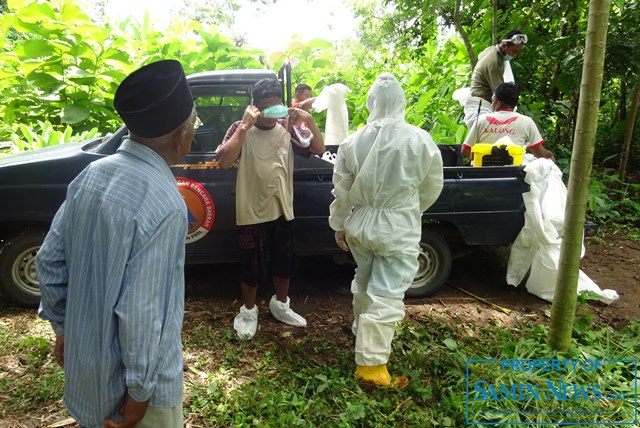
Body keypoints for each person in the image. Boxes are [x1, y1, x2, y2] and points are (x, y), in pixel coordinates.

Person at [37, 59, 196, 428]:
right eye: (194, 125)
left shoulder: (92, 174)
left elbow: (48, 262)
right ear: (179, 136)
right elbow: (142, 313)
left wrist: (62, 329)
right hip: (133, 398)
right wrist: (139, 397)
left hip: (87, 374)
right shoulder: (165, 202)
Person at [328, 73, 444, 387]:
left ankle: (360, 334)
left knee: (364, 282)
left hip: (361, 224)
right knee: (386, 295)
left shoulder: (353, 141)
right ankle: (371, 367)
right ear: (401, 101)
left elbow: (341, 189)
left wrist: (339, 225)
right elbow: (432, 186)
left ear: (371, 103)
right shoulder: (420, 140)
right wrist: (410, 209)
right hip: (398, 226)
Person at [216, 78, 325, 340]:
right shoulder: (240, 128)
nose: (270, 114)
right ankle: (249, 311)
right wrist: (244, 125)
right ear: (254, 107)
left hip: (282, 207)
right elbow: (223, 161)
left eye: (275, 107)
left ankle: (281, 305)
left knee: (284, 260)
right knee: (250, 264)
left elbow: (318, 149)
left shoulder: (287, 128)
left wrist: (307, 119)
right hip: (250, 209)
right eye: (264, 108)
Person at [462, 82, 555, 161]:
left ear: (498, 103)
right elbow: (540, 154)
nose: (491, 105)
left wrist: (485, 159)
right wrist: (550, 156)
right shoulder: (527, 122)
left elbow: (465, 150)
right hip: (514, 174)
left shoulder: (482, 120)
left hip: (485, 173)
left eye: (492, 101)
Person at [463, 29, 528, 128]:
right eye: (514, 51)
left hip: (484, 103)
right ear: (505, 45)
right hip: (481, 106)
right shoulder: (494, 63)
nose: (515, 55)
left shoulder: (492, 49)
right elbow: (500, 95)